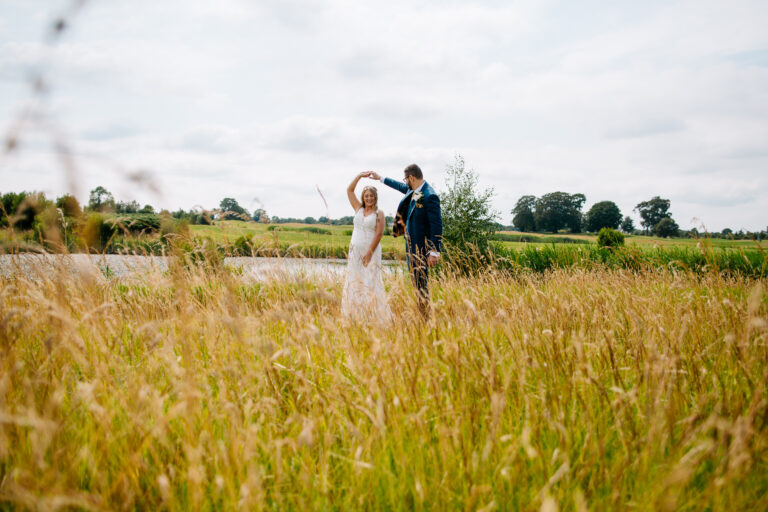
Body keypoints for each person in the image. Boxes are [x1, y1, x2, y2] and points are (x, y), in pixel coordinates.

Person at [368, 164, 442, 318]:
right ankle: (422, 313)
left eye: (406, 179)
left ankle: (425, 317)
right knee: (416, 282)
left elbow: (437, 225)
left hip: (421, 248)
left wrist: (434, 252)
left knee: (421, 283)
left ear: (412, 178)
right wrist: (380, 178)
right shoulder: (416, 191)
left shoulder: (429, 196)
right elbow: (400, 186)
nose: (405, 182)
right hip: (411, 246)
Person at [340, 171, 392, 322]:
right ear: (363, 197)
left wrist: (369, 254)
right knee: (354, 281)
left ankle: (373, 317)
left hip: (371, 253)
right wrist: (359, 176)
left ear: (375, 198)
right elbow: (349, 190)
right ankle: (354, 316)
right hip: (355, 252)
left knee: (369, 282)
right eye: (366, 196)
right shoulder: (358, 208)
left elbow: (379, 234)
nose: (369, 198)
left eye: (371, 196)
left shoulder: (379, 213)